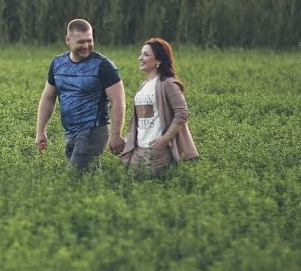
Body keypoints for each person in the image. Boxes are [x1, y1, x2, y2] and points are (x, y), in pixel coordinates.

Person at [34, 19, 126, 169]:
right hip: (70, 132)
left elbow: (118, 101)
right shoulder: (58, 64)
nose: (86, 46)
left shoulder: (103, 65)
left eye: (89, 41)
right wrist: (40, 131)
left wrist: (116, 135)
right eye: (80, 42)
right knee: (88, 180)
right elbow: (48, 98)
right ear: (68, 40)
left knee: (73, 178)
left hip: (93, 130)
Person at [119, 38, 199, 176]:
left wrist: (163, 140)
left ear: (159, 60)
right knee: (131, 191)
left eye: (146, 55)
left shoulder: (168, 84)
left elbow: (182, 114)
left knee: (152, 190)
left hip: (157, 151)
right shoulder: (143, 85)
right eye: (141, 54)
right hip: (138, 150)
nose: (140, 58)